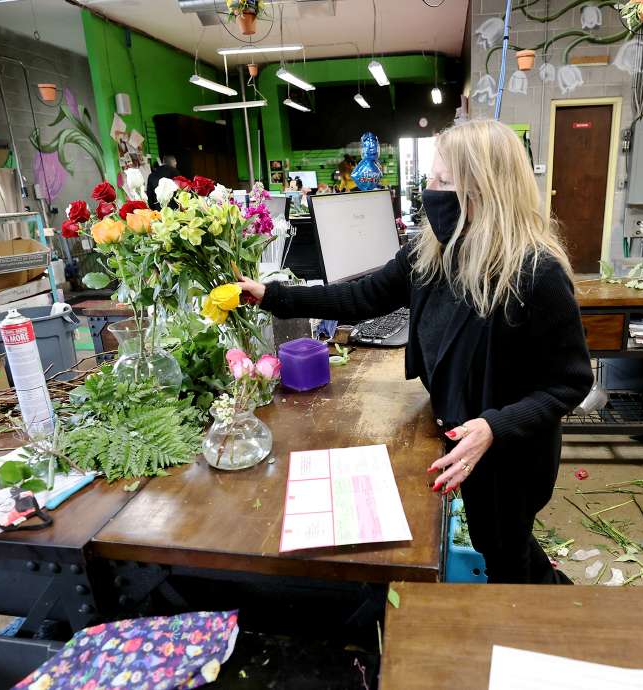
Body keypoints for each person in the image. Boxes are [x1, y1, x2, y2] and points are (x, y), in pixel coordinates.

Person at [238, 119, 592, 584]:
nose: (431, 192)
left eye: (443, 181)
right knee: (500, 541)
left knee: (503, 546)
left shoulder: (534, 274)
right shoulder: (431, 252)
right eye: (430, 178)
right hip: (457, 431)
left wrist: (493, 427)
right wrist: (273, 295)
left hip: (508, 451)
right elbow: (360, 297)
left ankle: (534, 627)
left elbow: (570, 382)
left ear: (485, 189)